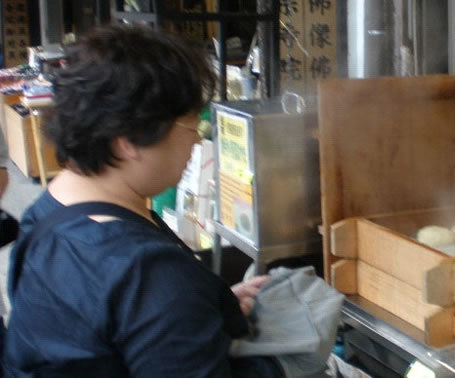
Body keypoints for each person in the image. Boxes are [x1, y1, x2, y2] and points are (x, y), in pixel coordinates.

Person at [2, 25, 279, 377]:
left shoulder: (46, 213)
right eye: (191, 127)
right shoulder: (148, 274)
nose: (196, 143)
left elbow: (103, 322)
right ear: (128, 139)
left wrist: (205, 304)